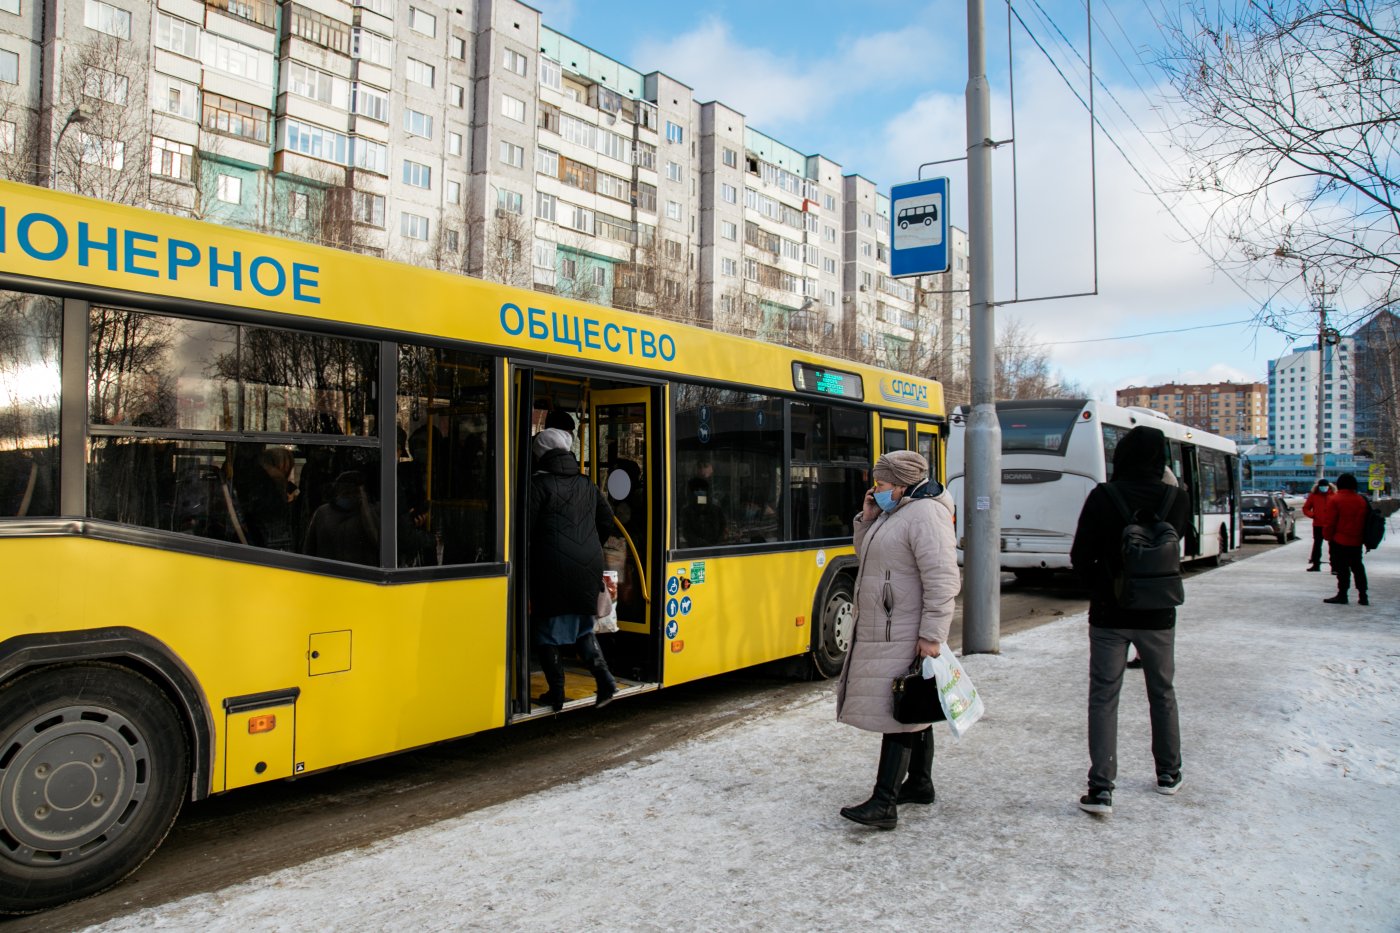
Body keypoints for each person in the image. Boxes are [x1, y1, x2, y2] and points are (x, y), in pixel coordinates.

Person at [835, 450, 960, 831]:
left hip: (903, 629)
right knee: (913, 705)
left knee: (898, 714)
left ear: (903, 484)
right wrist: (867, 519)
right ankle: (920, 783)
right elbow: (871, 557)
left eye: (882, 484)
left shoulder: (926, 514)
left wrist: (931, 636)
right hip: (888, 626)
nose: (877, 490)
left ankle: (884, 801)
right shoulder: (898, 511)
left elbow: (942, 579)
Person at [1070, 425, 1191, 815]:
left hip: (1109, 612)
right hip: (1159, 613)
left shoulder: (1103, 496)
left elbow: (1079, 555)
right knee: (1163, 691)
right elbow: (1178, 545)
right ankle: (1169, 773)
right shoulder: (1176, 498)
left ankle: (1101, 788)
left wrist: (1102, 585)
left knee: (1104, 697)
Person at [529, 427, 618, 711]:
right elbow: (607, 520)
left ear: (540, 455)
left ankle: (556, 693)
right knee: (581, 626)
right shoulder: (587, 484)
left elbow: (525, 530)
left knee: (546, 630)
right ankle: (605, 680)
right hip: (588, 562)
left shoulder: (536, 485)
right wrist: (590, 545)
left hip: (551, 564)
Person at [302, 470, 379, 565]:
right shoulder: (369, 513)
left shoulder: (322, 513)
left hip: (327, 572)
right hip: (361, 575)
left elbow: (308, 550)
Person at [1322, 473, 1369, 606]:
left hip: (1340, 539)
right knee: (1358, 567)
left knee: (1343, 569)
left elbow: (1330, 521)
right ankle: (1363, 595)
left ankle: (1342, 594)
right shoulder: (1361, 500)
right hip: (1357, 540)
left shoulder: (1335, 500)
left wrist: (1328, 536)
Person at [1302, 479, 1336, 571]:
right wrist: (1313, 515)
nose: (1323, 488)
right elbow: (1306, 508)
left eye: (1325, 486)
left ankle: (1334, 566)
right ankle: (1316, 565)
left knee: (1333, 546)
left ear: (1329, 486)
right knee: (1317, 545)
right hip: (1318, 524)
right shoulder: (1313, 496)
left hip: (1331, 525)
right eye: (1321, 486)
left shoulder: (1334, 495)